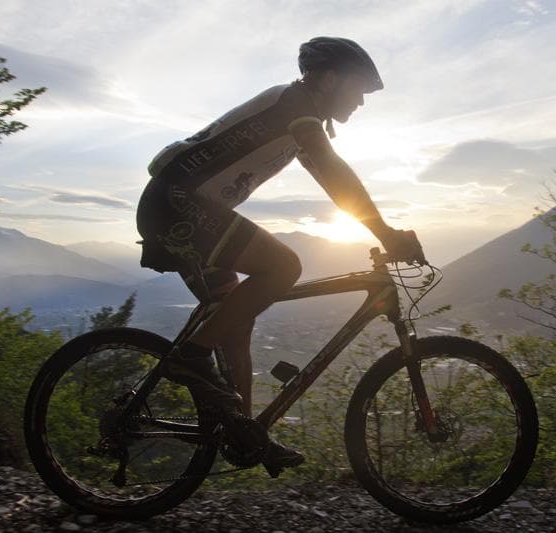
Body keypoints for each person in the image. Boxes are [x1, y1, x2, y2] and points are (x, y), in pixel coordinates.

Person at [136, 36, 423, 476]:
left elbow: (332, 183)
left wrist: (381, 230)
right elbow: (336, 173)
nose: (362, 102)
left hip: (173, 206)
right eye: (359, 89)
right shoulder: (293, 105)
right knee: (284, 266)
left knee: (234, 320)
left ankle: (242, 433)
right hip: (178, 205)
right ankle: (190, 358)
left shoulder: (299, 118)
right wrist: (385, 233)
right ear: (327, 80)